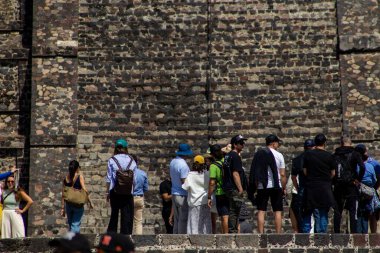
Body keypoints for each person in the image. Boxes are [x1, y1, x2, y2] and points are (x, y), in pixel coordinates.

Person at [249, 134, 286, 233]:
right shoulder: (279, 155)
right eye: (277, 143)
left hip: (263, 185)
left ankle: (261, 234)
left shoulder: (260, 154)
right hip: (276, 185)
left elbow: (255, 172)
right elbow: (282, 174)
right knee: (277, 210)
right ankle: (278, 234)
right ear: (274, 143)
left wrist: (256, 187)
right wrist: (283, 187)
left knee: (261, 210)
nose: (278, 145)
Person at [302, 134, 336, 233]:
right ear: (325, 143)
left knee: (310, 210)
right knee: (323, 211)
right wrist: (326, 179)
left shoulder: (308, 154)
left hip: (311, 185)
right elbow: (333, 173)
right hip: (325, 186)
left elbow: (305, 171)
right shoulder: (329, 156)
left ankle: (306, 234)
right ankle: (321, 233)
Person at [333, 136, 365, 233]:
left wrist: (334, 181)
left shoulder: (335, 155)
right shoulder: (355, 154)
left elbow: (332, 170)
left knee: (338, 209)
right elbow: (362, 167)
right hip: (351, 184)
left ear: (341, 143)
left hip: (339, 184)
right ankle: (354, 233)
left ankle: (337, 232)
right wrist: (358, 179)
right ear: (350, 143)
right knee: (353, 210)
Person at [106, 138, 137, 235]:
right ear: (126, 148)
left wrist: (107, 192)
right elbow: (134, 179)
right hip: (128, 192)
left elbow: (108, 178)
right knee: (127, 216)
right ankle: (126, 238)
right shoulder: (132, 160)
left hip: (115, 191)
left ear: (116, 148)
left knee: (114, 215)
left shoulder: (112, 160)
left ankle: (111, 238)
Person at [223, 134, 248, 233]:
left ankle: (232, 230)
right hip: (234, 187)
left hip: (228, 186)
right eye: (241, 143)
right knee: (235, 210)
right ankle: (232, 231)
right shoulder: (235, 156)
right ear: (235, 144)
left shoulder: (227, 156)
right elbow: (235, 173)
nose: (243, 145)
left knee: (232, 209)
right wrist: (240, 188)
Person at [289, 139, 315, 232]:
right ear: (313, 147)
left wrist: (297, 187)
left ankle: (304, 231)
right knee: (316, 211)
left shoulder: (297, 159)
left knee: (303, 211)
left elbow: (293, 177)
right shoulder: (315, 158)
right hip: (314, 187)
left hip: (302, 187)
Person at [182, 155, 212, 234]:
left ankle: (195, 240)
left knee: (194, 222)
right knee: (206, 222)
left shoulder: (190, 175)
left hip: (194, 202)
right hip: (205, 200)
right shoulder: (207, 174)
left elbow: (185, 187)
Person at [170, 143, 193, 234]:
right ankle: (182, 238)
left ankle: (175, 236)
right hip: (182, 194)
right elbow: (184, 181)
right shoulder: (183, 165)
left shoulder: (173, 162)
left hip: (174, 192)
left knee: (177, 219)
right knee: (183, 219)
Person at [61, 160, 88, 233]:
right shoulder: (80, 177)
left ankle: (71, 241)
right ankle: (74, 242)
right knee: (75, 224)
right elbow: (84, 189)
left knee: (71, 224)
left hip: (68, 204)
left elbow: (63, 194)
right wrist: (89, 201)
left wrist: (62, 208)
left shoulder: (66, 178)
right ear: (77, 168)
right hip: (78, 204)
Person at [354, 144, 377, 233]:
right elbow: (374, 179)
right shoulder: (370, 166)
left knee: (358, 212)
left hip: (358, 190)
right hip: (368, 192)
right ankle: (365, 232)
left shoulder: (356, 166)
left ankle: (358, 232)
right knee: (366, 212)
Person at [208, 144, 229, 234]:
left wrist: (209, 196)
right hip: (230, 191)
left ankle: (226, 236)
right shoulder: (227, 161)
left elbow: (212, 183)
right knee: (231, 215)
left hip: (220, 193)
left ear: (212, 155)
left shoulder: (213, 166)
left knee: (224, 216)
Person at [131, 155, 148, 235]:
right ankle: (138, 239)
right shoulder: (143, 173)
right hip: (139, 197)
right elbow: (146, 188)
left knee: (128, 220)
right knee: (138, 222)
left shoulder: (127, 173)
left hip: (129, 198)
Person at [204, 152, 218, 234]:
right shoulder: (204, 170)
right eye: (206, 160)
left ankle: (213, 233)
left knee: (213, 218)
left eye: (208, 160)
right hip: (207, 194)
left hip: (212, 194)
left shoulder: (213, 169)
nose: (207, 162)